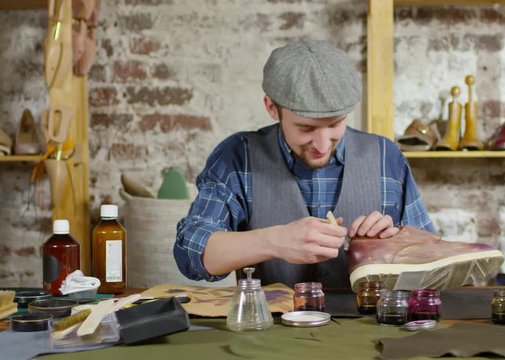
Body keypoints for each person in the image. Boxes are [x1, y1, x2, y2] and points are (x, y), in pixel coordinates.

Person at [173, 40, 435, 289]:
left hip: (373, 329)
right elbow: (190, 252)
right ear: (272, 108)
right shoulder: (237, 156)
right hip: (269, 331)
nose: (321, 144)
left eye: (334, 124)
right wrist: (275, 241)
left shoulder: (385, 155)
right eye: (306, 128)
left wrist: (394, 243)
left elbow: (432, 256)